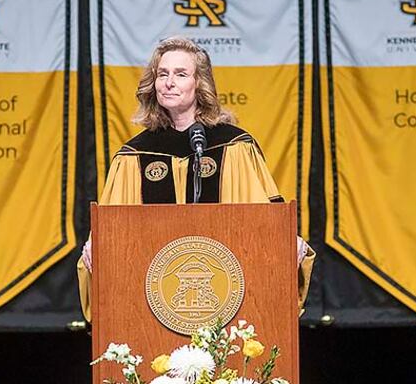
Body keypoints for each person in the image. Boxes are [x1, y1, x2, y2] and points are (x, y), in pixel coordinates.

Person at [77, 36, 315, 321]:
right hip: (151, 308)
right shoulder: (133, 156)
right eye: (162, 74)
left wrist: (284, 239)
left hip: (227, 302)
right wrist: (97, 245)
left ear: (199, 84)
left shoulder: (233, 147)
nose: (169, 82)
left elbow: (262, 220)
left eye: (180, 74)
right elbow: (112, 231)